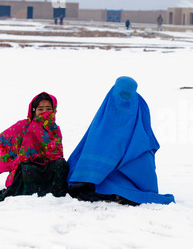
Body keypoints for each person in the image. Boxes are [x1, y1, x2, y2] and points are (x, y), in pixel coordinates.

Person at [67, 76, 174, 206]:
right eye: (121, 94)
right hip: (105, 174)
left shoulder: (139, 107)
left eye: (127, 95)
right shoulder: (107, 111)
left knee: (142, 159)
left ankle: (119, 191)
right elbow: (96, 143)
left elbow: (145, 138)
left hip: (129, 163)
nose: (123, 100)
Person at [0, 92, 69, 201]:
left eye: (48, 108)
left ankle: (56, 194)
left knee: (61, 164)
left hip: (49, 166)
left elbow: (57, 153)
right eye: (40, 109)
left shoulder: (54, 129)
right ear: (34, 111)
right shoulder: (24, 125)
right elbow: (2, 139)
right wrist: (12, 159)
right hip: (30, 166)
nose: (45, 112)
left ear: (54, 110)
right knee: (26, 167)